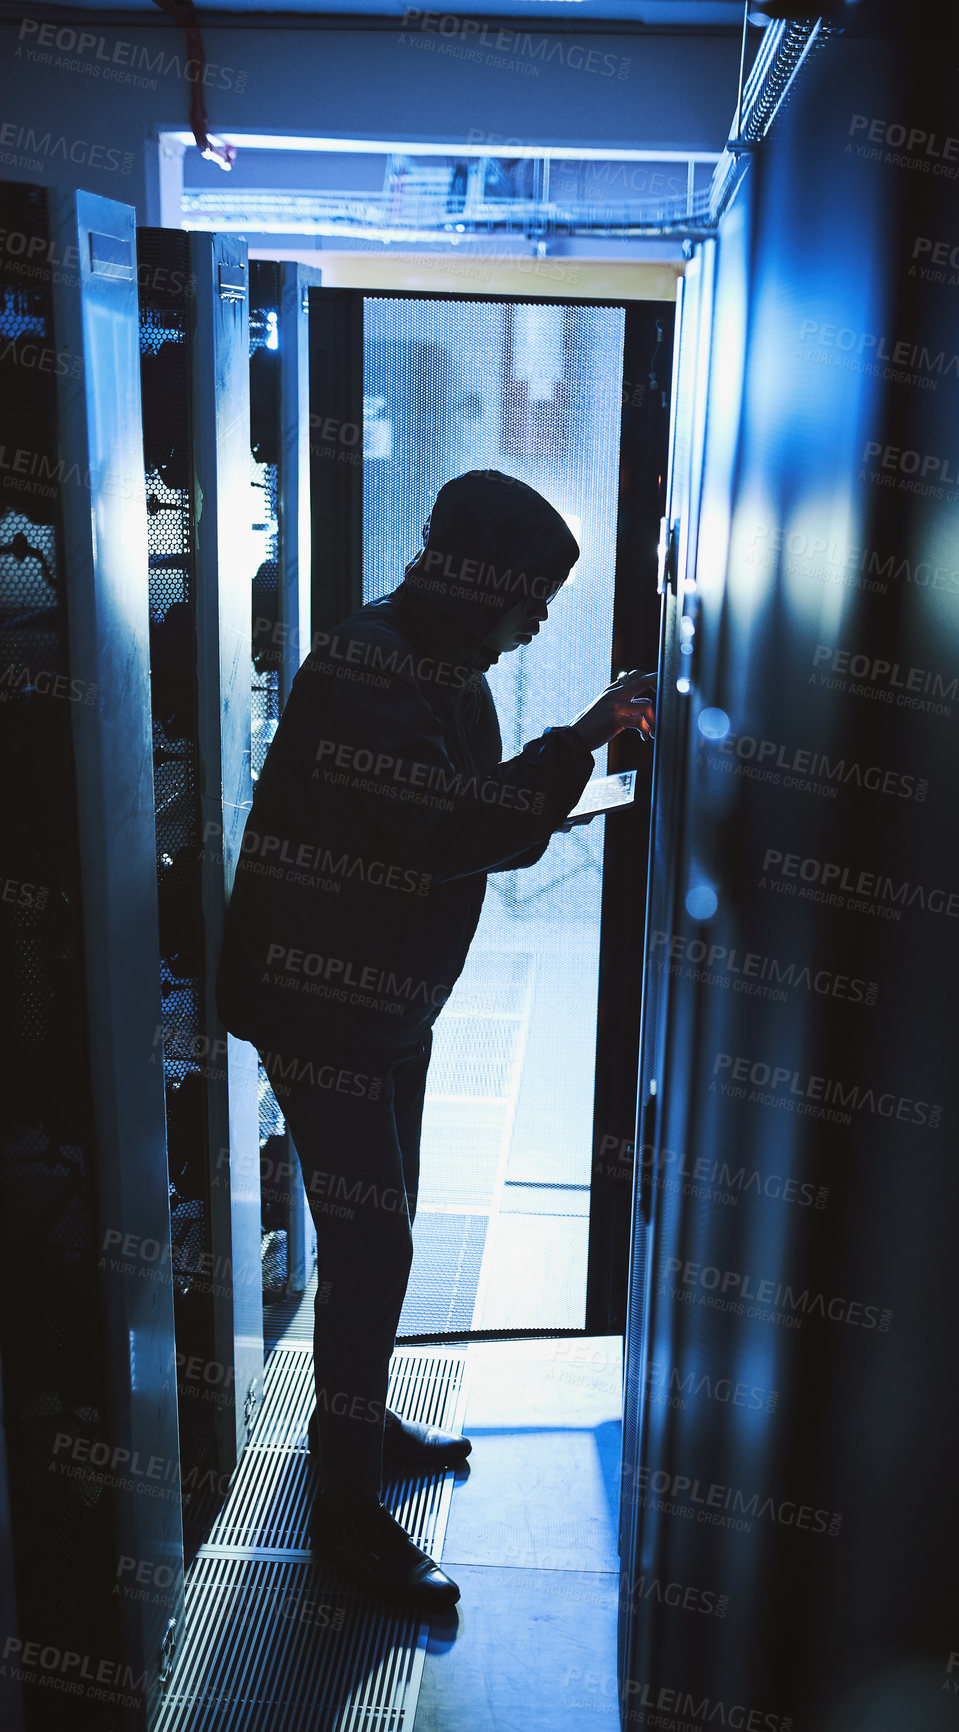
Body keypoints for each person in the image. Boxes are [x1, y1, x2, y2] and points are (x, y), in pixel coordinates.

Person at [215, 468, 656, 1611]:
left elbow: (472, 819)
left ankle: (354, 1430)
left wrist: (573, 750)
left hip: (380, 1005)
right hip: (326, 1012)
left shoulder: (440, 667)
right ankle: (348, 1519)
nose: (541, 620)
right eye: (534, 596)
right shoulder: (371, 673)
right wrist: (583, 740)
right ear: (483, 581)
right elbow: (452, 829)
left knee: (384, 1236)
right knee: (375, 1250)